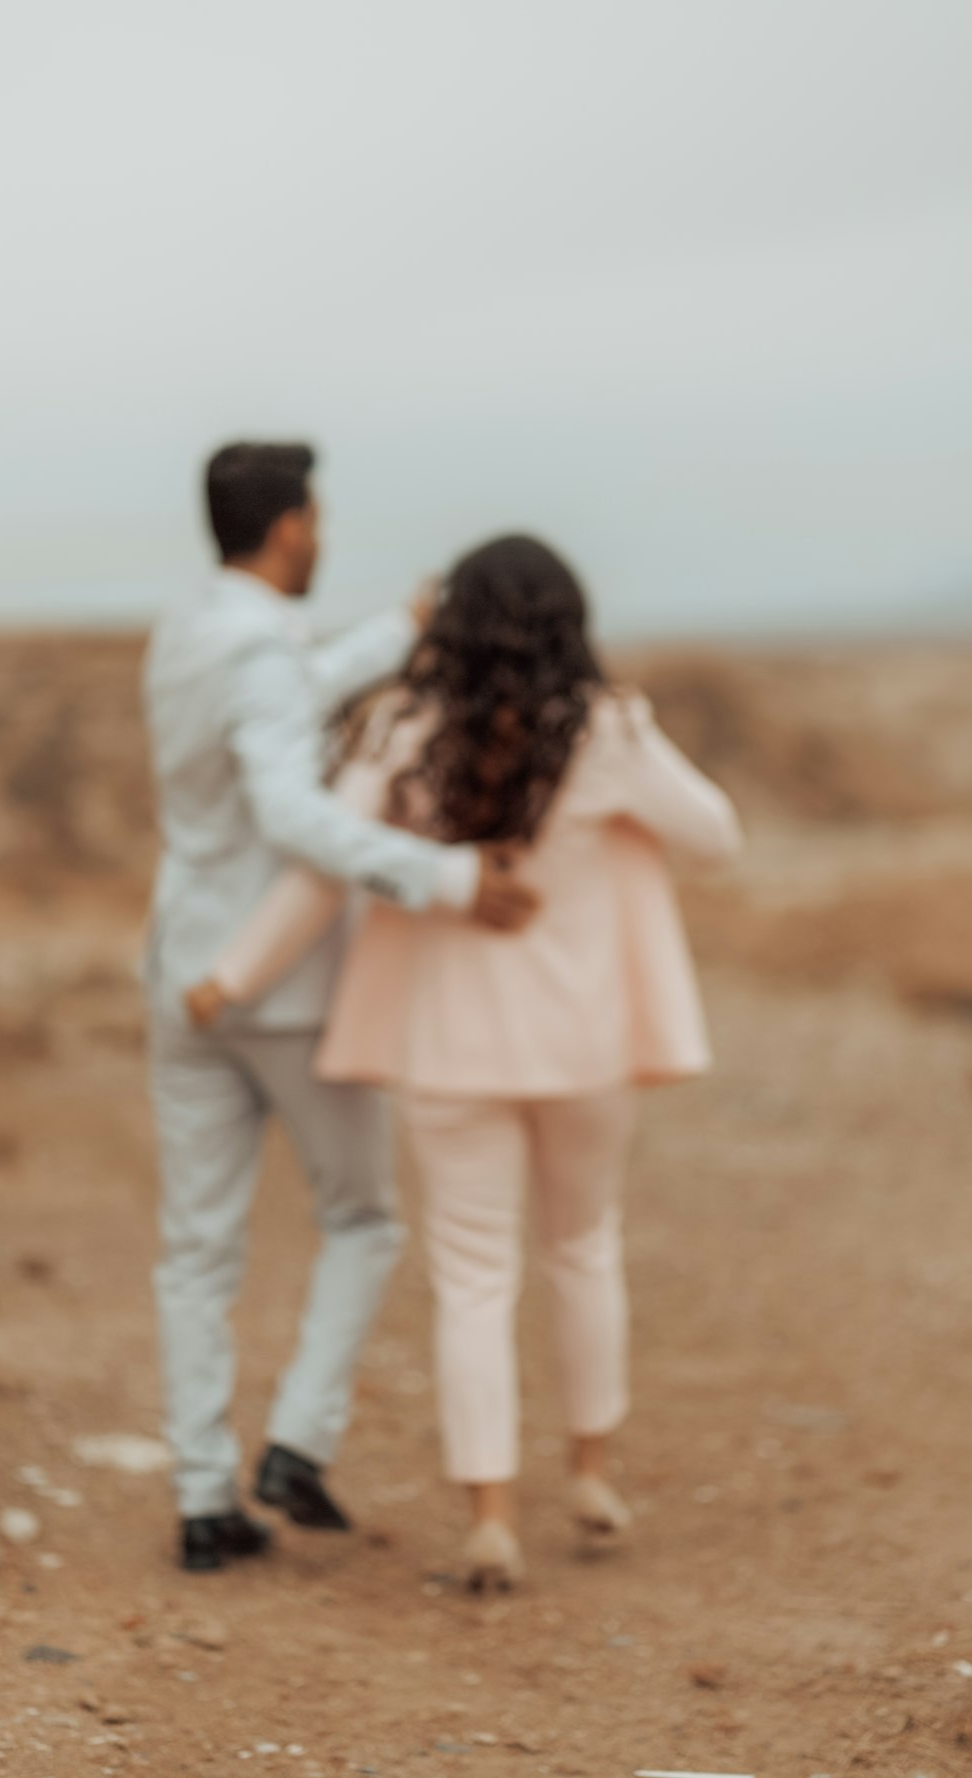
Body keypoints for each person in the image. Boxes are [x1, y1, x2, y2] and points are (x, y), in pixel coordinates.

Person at [186, 534, 742, 1588]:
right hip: (584, 1043)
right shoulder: (607, 727)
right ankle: (589, 1471)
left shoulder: (401, 726)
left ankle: (489, 1515)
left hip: (447, 1049)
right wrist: (621, 797)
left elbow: (322, 872)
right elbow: (714, 835)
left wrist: (233, 975)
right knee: (583, 1245)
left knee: (472, 1278)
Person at [143, 445, 537, 1572]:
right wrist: (447, 876)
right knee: (362, 1220)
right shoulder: (263, 652)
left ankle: (204, 1496)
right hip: (285, 987)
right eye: (314, 515)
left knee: (195, 1251)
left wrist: (395, 630)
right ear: (286, 527)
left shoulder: (187, 631)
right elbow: (291, 807)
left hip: (182, 969)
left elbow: (286, 688)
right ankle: (298, 1445)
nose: (320, 533)